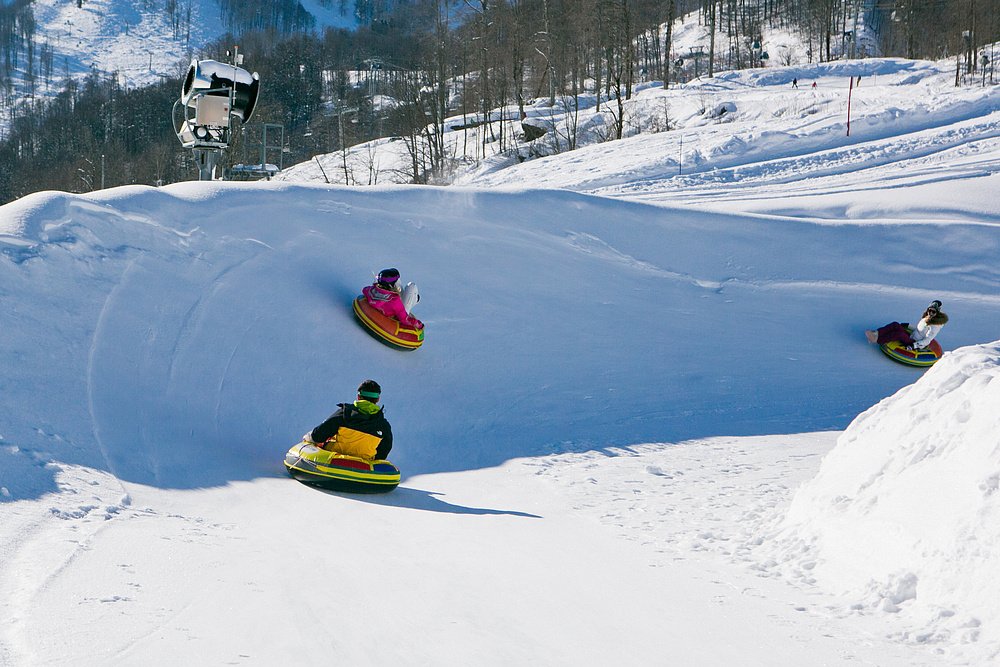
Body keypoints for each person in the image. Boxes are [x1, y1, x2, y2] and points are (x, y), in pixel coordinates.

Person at [303, 380, 393, 460]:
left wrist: (309, 439)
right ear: (378, 399)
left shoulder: (344, 414)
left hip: (333, 461)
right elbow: (383, 452)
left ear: (358, 397)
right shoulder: (383, 425)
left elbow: (318, 435)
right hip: (364, 466)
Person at [866, 300, 948, 349]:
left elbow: (927, 340)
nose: (930, 312)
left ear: (937, 312)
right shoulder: (927, 318)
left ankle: (878, 340)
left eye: (933, 311)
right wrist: (908, 326)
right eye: (929, 310)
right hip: (912, 336)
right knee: (895, 324)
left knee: (899, 334)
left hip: (914, 342)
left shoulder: (935, 326)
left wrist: (914, 345)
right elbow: (918, 330)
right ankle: (876, 333)